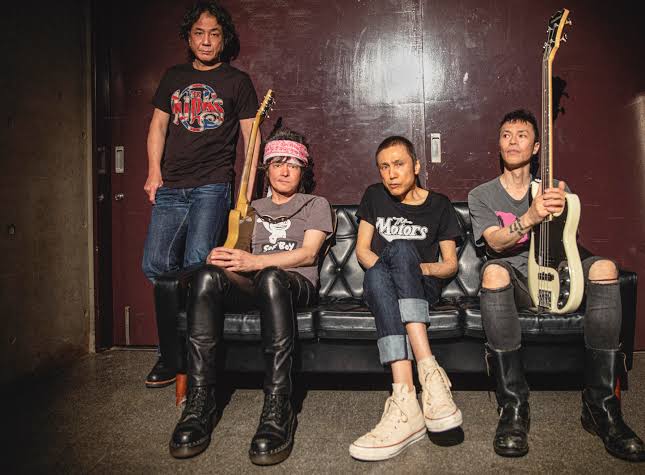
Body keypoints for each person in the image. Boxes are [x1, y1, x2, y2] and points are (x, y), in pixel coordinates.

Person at [468, 109, 644, 462]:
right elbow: (495, 244)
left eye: (522, 135)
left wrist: (561, 209)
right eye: (506, 135)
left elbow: (568, 242)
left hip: (558, 270)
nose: (513, 141)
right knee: (493, 273)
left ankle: (601, 406)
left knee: (606, 267)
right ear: (498, 144)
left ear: (536, 147)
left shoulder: (555, 190)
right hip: (517, 279)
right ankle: (514, 406)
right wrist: (530, 217)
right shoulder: (481, 195)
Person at [168, 129, 334, 464]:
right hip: (253, 284)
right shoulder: (251, 208)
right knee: (206, 277)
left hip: (294, 284)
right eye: (277, 163)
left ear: (303, 170)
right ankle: (201, 401)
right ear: (266, 169)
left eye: (293, 165)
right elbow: (238, 253)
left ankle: (278, 404)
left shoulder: (315, 204)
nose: (284, 171)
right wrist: (222, 258)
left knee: (271, 277)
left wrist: (256, 262)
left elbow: (308, 254)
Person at [141, 1, 260, 388]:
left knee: (197, 265)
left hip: (212, 184)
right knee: (156, 266)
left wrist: (246, 190)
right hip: (172, 185)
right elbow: (158, 127)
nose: (206, 41)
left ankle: (189, 357)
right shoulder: (173, 77)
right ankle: (173, 349)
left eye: (214, 34)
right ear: (189, 38)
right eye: (199, 33)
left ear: (223, 39)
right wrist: (153, 172)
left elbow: (252, 137)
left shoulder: (237, 81)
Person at [349, 136, 463, 461]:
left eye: (398, 164)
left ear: (415, 166)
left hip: (422, 286)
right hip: (381, 284)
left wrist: (413, 268)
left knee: (400, 250)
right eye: (384, 167)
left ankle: (408, 394)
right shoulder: (374, 196)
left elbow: (450, 264)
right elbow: (362, 251)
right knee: (378, 272)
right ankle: (427, 374)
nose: (391, 174)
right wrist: (392, 271)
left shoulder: (439, 204)